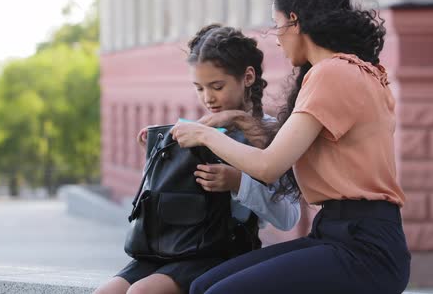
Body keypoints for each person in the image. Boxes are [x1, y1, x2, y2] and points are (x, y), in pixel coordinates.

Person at [170, 0, 411, 294]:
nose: (278, 39)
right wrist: (239, 121)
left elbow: (269, 167)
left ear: (295, 22)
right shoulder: (349, 70)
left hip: (363, 248)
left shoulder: (333, 73)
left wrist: (204, 135)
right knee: (202, 286)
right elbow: (289, 150)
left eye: (278, 24)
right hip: (339, 234)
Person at [92, 24, 301, 294]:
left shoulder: (274, 132)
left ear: (247, 77)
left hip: (221, 249)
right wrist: (162, 156)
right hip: (170, 245)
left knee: (143, 293)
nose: (208, 98)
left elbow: (288, 217)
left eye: (216, 86)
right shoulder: (194, 129)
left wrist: (238, 182)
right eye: (199, 88)